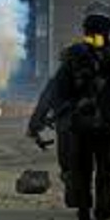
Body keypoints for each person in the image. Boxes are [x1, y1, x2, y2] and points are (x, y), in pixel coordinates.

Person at [51, 13, 110, 220]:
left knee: (82, 171)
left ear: (86, 30)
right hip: (108, 125)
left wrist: (66, 109)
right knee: (105, 173)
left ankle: (84, 214)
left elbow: (60, 90)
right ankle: (100, 216)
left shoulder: (73, 56)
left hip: (83, 126)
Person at [27, 76, 76, 207]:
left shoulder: (61, 77)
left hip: (68, 128)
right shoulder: (97, 76)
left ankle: (78, 205)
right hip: (91, 129)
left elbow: (44, 103)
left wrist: (34, 127)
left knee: (69, 168)